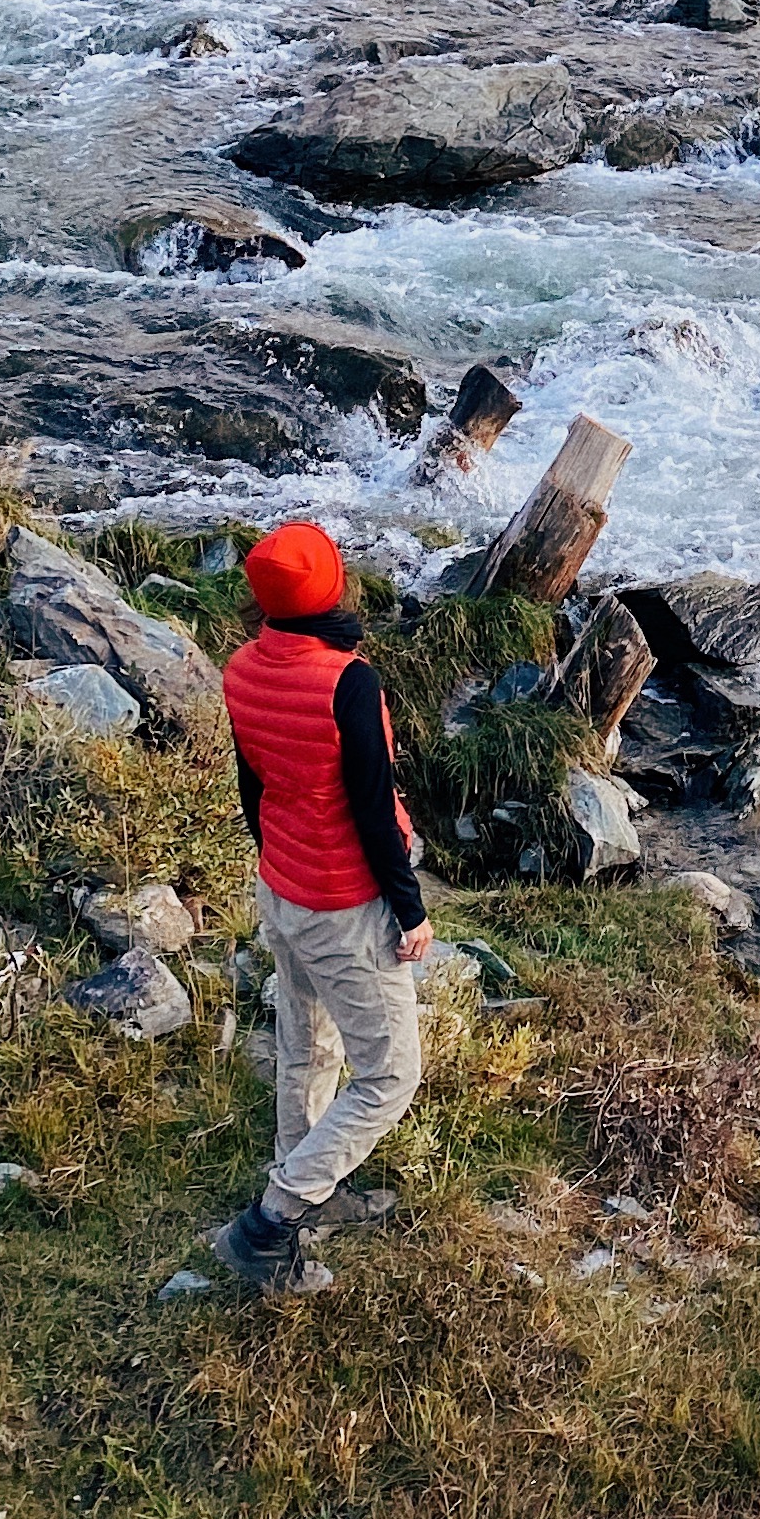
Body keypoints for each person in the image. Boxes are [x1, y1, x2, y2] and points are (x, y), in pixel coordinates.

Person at [216, 517, 432, 1292]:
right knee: (390, 1076)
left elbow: (255, 786)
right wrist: (409, 910)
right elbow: (375, 810)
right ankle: (274, 1217)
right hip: (343, 902)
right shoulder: (349, 681)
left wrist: (275, 860)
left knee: (307, 1044)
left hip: (282, 887)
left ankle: (309, 1179)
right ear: (332, 589)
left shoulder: (242, 668)